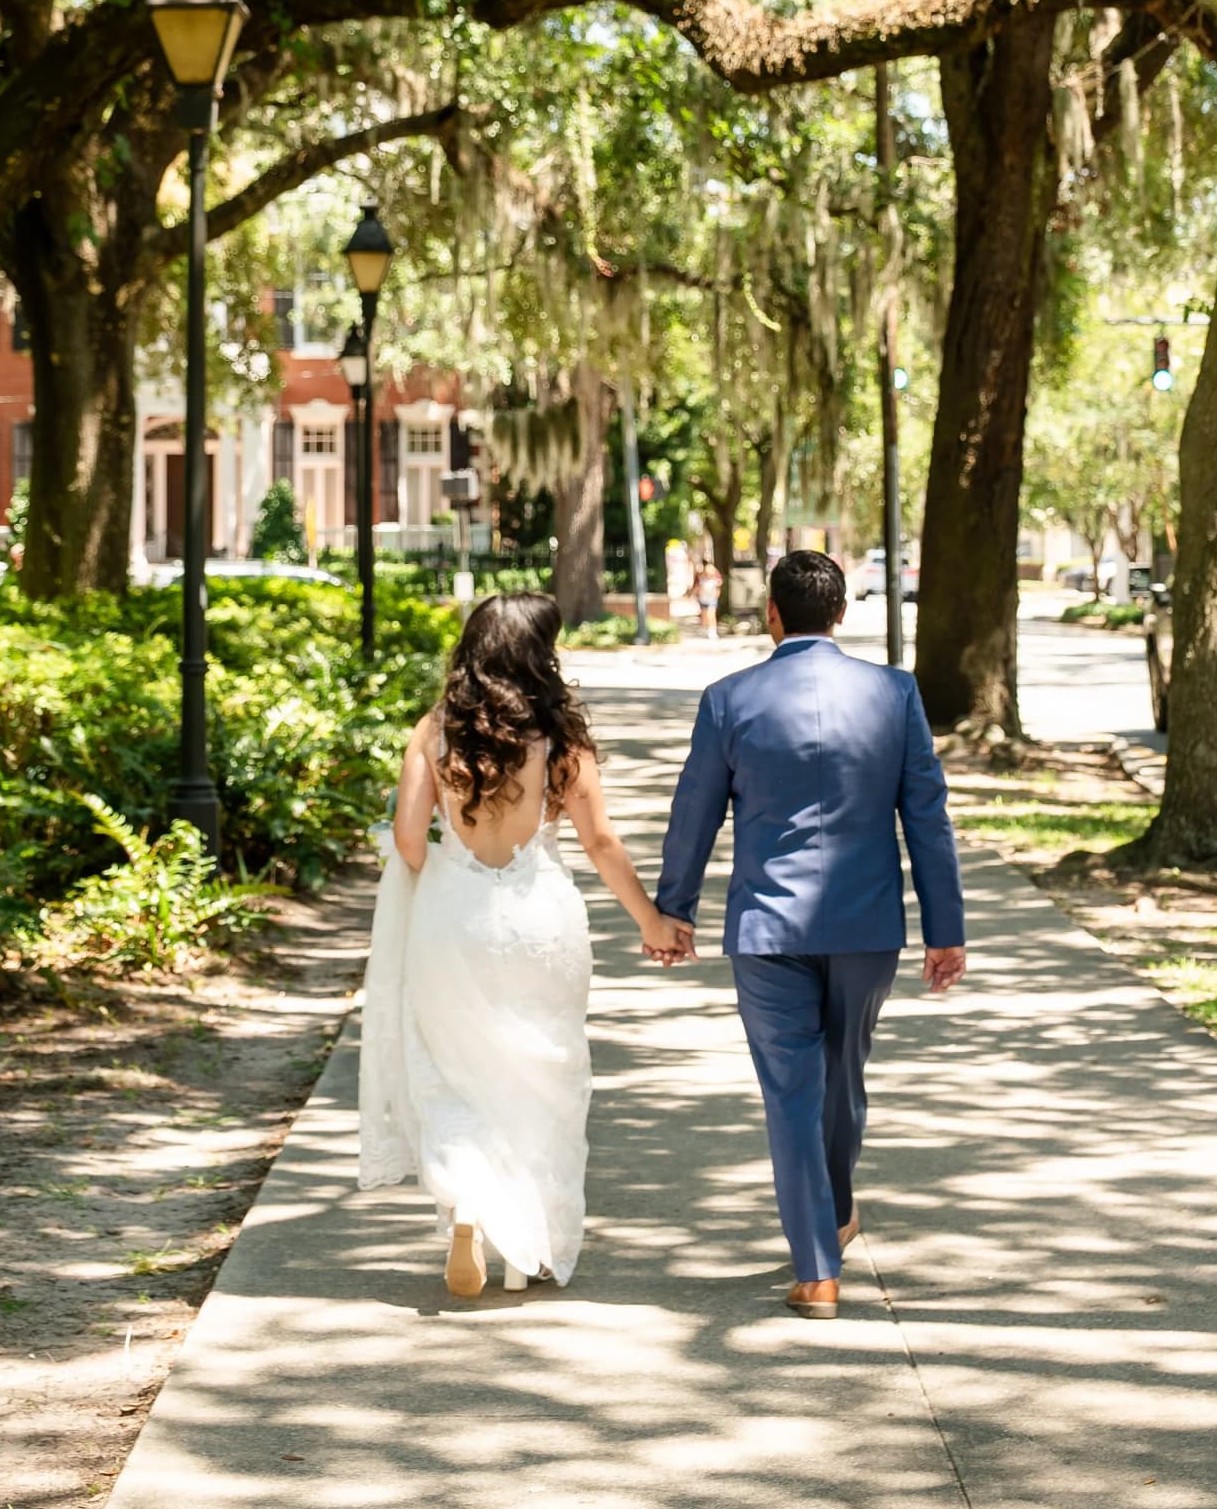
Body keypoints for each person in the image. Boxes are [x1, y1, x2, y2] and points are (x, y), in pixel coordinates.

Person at [653, 550, 966, 1319]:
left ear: (772, 612)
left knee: (795, 1091)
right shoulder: (894, 693)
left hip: (767, 926)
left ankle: (820, 1259)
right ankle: (823, 1238)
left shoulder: (730, 698)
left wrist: (675, 907)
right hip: (866, 926)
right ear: (841, 613)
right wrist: (945, 925)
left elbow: (694, 813)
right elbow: (926, 815)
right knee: (843, 1077)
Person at [358, 592, 686, 1296]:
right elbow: (599, 841)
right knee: (546, 1077)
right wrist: (651, 920)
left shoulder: (432, 731)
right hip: (541, 916)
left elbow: (409, 840)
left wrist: (449, 885)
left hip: (453, 915)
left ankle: (470, 1203)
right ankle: (527, 1249)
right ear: (539, 654)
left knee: (451, 1073)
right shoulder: (559, 737)